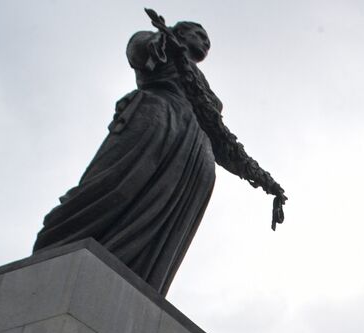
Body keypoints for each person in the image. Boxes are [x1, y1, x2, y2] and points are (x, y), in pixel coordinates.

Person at [32, 18, 286, 294]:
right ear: (179, 32)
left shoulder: (206, 91)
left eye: (208, 41)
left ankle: (134, 282)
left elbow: (225, 142)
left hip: (195, 155)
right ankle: (65, 237)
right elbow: (138, 50)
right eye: (199, 34)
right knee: (116, 186)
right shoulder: (162, 46)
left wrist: (266, 183)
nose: (205, 42)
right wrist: (158, 41)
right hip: (156, 119)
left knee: (164, 234)